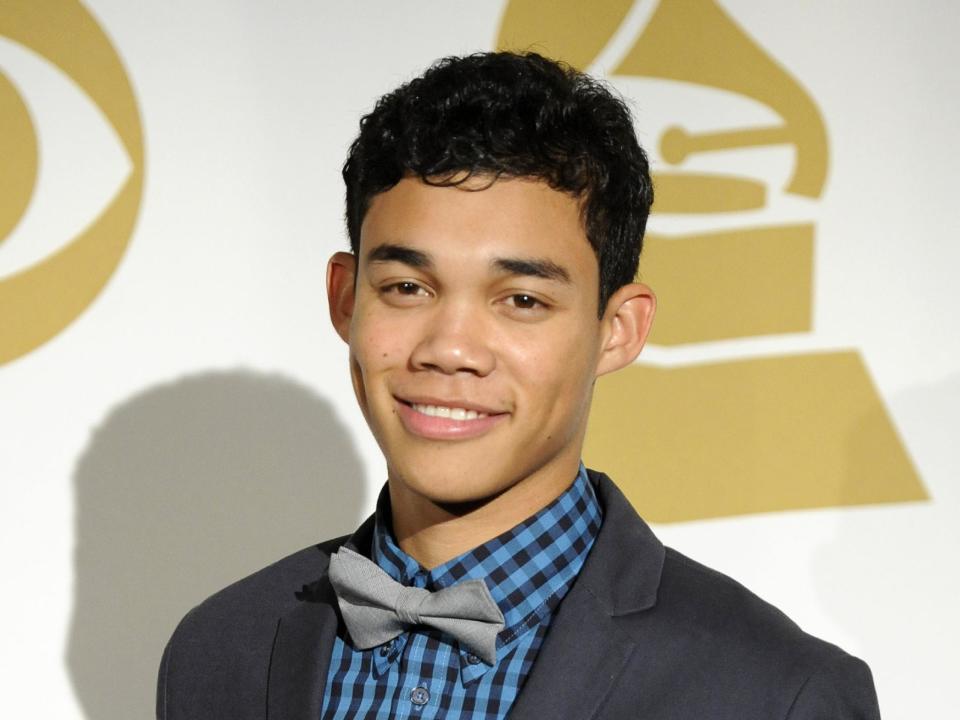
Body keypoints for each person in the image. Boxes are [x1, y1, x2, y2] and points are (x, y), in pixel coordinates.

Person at [156, 52, 881, 719]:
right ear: (347, 298)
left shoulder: (775, 693)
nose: (450, 350)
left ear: (617, 329)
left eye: (522, 301)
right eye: (408, 287)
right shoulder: (221, 650)